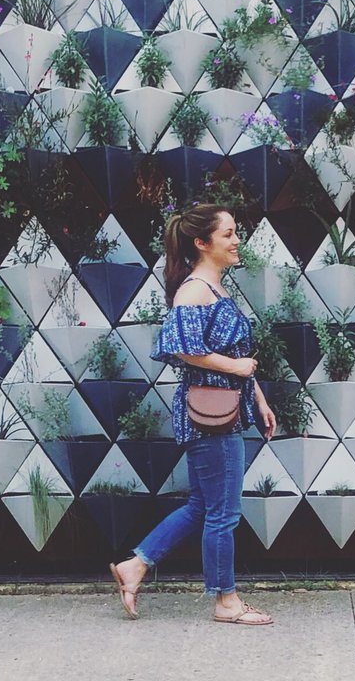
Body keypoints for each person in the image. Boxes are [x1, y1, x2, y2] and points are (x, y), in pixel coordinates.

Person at [109, 203, 276, 625]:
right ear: (202, 243)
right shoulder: (194, 290)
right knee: (224, 512)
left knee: (204, 505)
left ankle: (136, 565)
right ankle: (226, 602)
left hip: (227, 410)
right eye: (228, 234)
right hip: (210, 416)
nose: (237, 241)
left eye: (236, 233)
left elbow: (237, 355)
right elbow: (182, 349)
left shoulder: (216, 289)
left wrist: (257, 396)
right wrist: (237, 370)